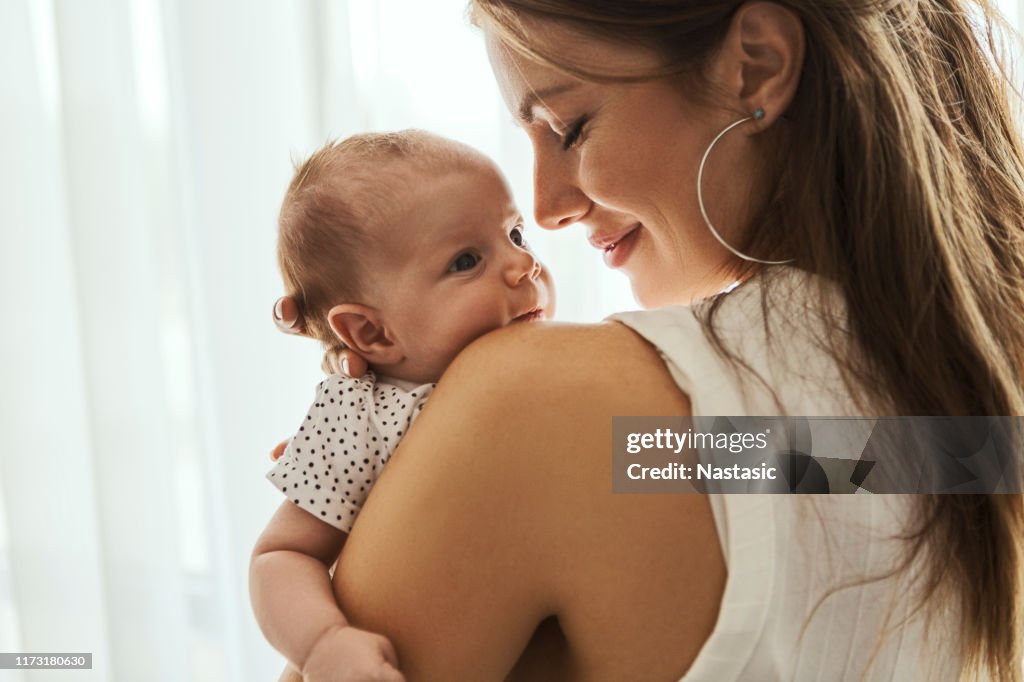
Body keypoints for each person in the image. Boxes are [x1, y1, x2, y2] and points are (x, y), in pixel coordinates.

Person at [267, 1, 1024, 679]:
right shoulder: (969, 421)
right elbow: (784, 462)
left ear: (756, 66)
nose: (547, 208)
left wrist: (435, 465)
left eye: (569, 126)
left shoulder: (545, 409)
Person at [250, 131, 553, 682]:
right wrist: (323, 644)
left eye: (515, 234)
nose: (523, 265)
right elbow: (281, 556)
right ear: (370, 330)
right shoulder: (361, 414)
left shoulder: (558, 368)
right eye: (467, 260)